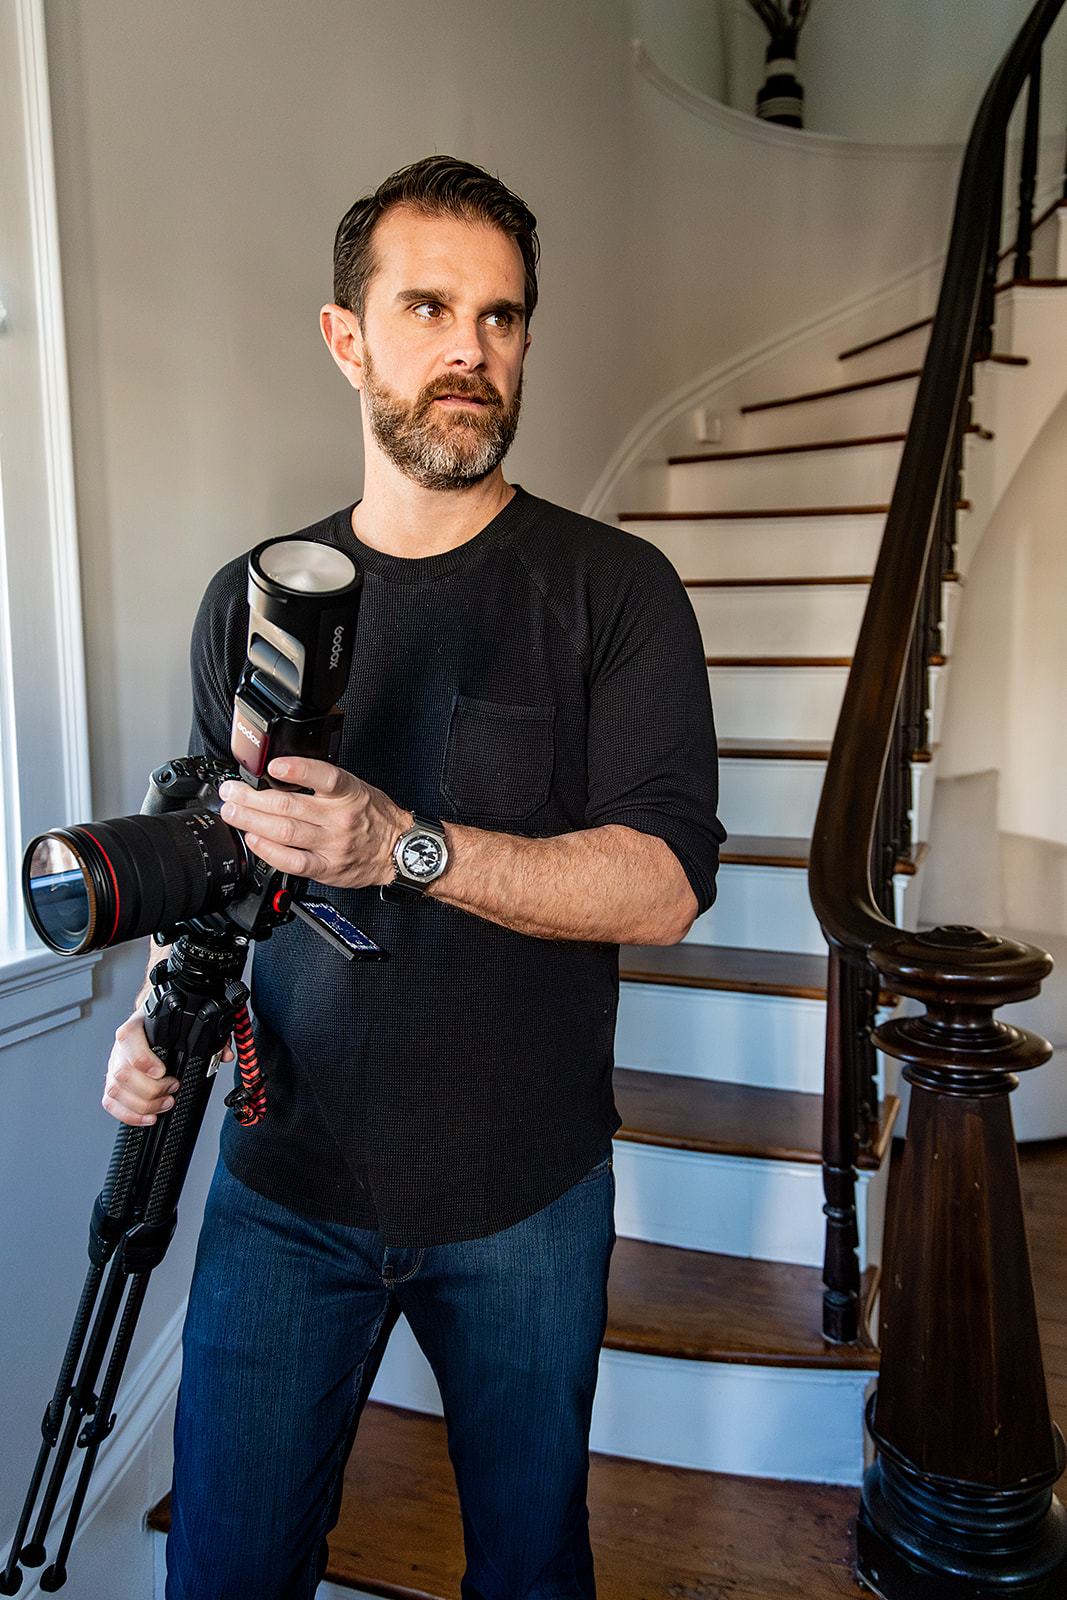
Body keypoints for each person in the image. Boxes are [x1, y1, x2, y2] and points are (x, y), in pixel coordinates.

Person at [104, 155, 724, 1600]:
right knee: (228, 1571)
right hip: (282, 1192)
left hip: (525, 1197)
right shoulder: (250, 595)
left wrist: (404, 848)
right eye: (430, 306)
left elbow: (662, 886)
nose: (472, 351)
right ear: (346, 336)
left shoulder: (612, 591)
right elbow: (217, 862)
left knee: (527, 1570)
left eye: (502, 318)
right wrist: (154, 1017)